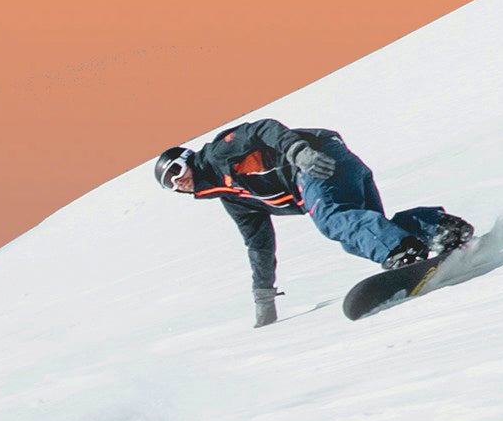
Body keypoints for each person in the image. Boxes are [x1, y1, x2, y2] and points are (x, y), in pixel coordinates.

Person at [152, 119, 473, 327]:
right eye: (169, 183)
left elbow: (261, 129)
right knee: (358, 233)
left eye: (176, 172)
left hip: (312, 161)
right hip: (336, 166)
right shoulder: (234, 199)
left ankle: (404, 252)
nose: (177, 182)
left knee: (332, 219)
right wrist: (263, 296)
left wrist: (297, 151)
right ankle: (439, 228)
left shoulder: (217, 154)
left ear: (187, 159)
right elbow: (259, 245)